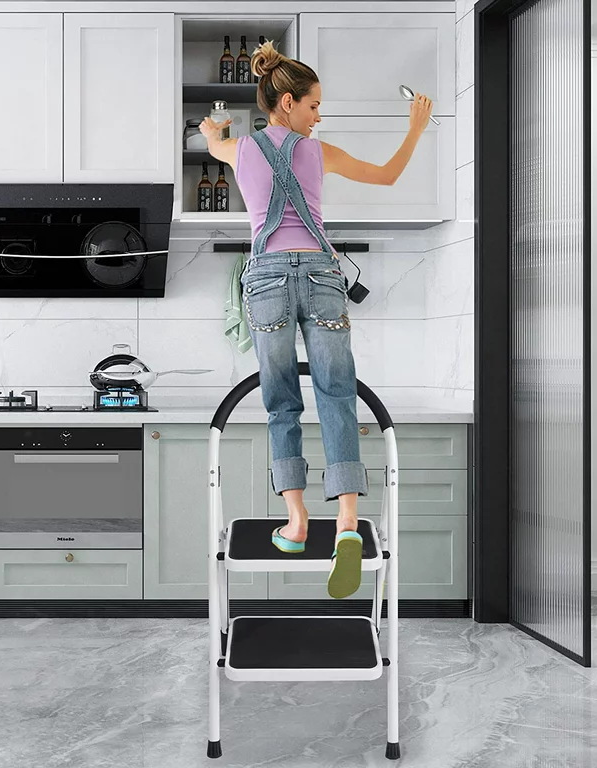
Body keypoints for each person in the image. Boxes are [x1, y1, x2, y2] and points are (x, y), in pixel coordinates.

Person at [200, 40, 433, 599]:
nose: (318, 116)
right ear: (286, 102)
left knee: (280, 397)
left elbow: (212, 141)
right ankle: (348, 524)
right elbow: (386, 177)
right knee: (337, 393)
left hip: (267, 279)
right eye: (312, 107)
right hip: (324, 277)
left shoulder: (241, 151)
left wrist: (215, 128)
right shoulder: (317, 152)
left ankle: (298, 521)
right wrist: (416, 127)